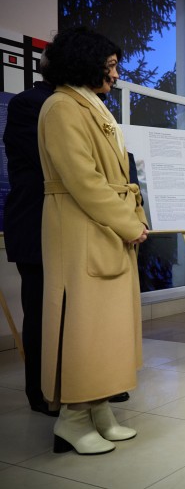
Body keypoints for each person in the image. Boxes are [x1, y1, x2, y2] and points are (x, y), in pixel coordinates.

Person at [38, 26, 149, 455]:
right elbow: (83, 181)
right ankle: (73, 417)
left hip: (103, 227)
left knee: (107, 328)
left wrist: (129, 219)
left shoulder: (91, 106)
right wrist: (127, 222)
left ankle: (99, 407)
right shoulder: (62, 107)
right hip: (80, 227)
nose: (116, 74)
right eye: (110, 66)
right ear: (85, 64)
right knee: (82, 326)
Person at [3, 62, 58, 416]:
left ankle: (79, 383)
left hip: (67, 228)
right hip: (36, 225)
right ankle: (40, 390)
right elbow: (49, 164)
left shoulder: (83, 105)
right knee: (40, 310)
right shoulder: (29, 103)